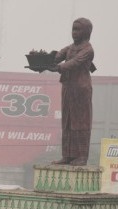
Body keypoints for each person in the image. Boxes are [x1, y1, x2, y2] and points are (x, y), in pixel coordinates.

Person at [50, 18, 95, 166]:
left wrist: (58, 68)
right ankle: (67, 155)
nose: (74, 33)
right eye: (73, 29)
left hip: (81, 90)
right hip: (68, 88)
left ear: (86, 31)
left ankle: (81, 156)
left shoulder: (88, 50)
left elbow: (74, 63)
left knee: (80, 123)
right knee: (67, 122)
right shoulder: (69, 48)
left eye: (78, 29)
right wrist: (43, 61)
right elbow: (57, 57)